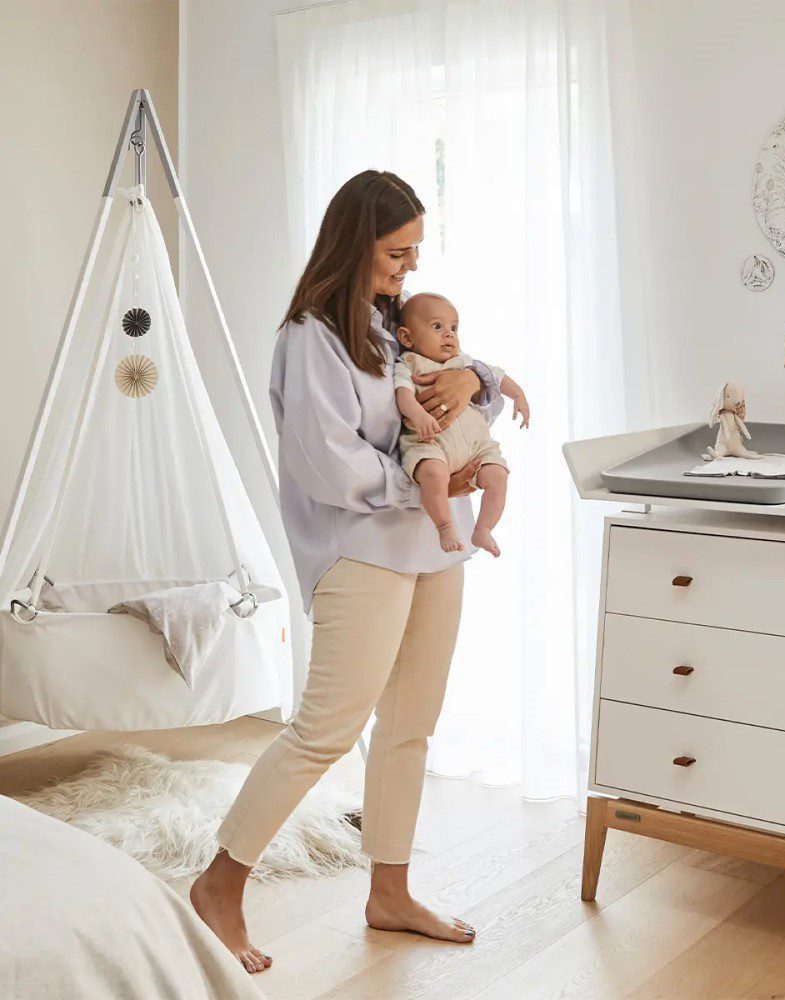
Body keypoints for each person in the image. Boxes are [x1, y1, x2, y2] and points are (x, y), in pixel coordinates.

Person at [191, 170, 503, 974]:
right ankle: (219, 886)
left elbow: (457, 385)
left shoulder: (396, 324)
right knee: (326, 729)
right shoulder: (311, 337)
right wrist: (423, 480)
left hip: (436, 544)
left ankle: (390, 891)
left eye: (416, 252)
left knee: (412, 725)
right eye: (397, 251)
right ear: (355, 241)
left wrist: (482, 380)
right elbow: (327, 464)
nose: (408, 266)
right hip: (362, 548)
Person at [393, 291, 529, 557]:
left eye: (453, 328)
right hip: (431, 443)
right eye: (437, 327)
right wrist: (419, 417)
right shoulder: (410, 364)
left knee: (499, 475)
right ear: (407, 338)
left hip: (476, 446)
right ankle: (444, 525)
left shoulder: (463, 362)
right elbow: (403, 395)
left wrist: (519, 395)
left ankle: (484, 528)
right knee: (433, 474)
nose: (449, 334)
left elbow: (497, 376)